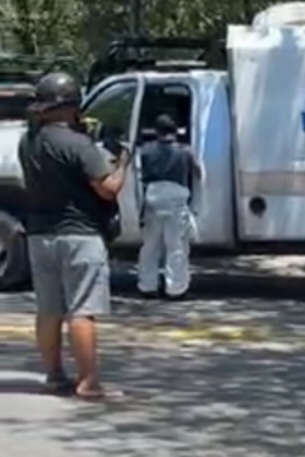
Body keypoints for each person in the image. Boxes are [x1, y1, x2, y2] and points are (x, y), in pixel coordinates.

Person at [17, 71, 127, 400]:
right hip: (80, 235)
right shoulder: (78, 144)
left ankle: (54, 376)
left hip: (40, 235)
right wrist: (122, 161)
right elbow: (108, 188)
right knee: (82, 311)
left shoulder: (29, 142)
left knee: (49, 310)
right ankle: (88, 382)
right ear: (71, 106)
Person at [136, 114, 200, 299]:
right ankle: (176, 289)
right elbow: (198, 173)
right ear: (175, 131)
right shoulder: (184, 151)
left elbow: (140, 174)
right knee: (176, 246)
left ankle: (147, 286)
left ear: (156, 131)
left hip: (153, 197)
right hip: (176, 198)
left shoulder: (146, 150)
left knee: (150, 245)